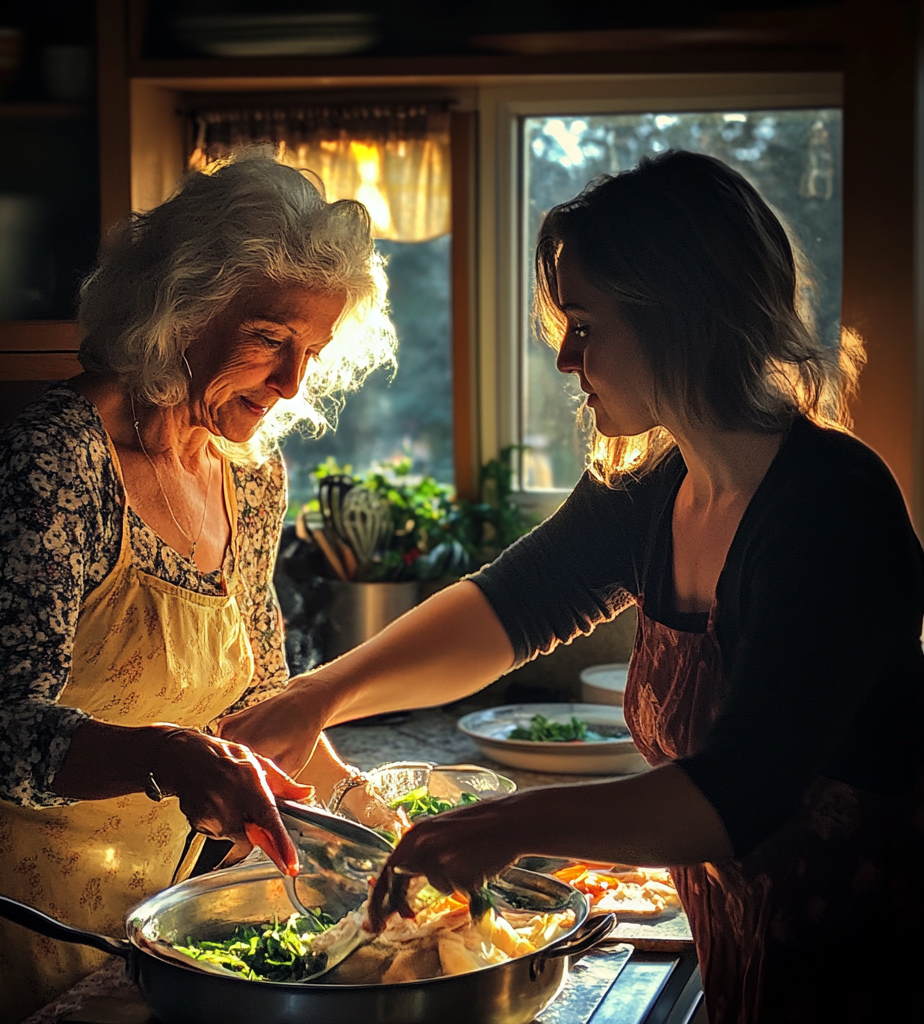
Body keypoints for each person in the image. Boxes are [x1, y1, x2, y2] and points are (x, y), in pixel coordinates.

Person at [228, 150, 924, 1022]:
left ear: (683, 319)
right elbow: (507, 608)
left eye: (586, 324)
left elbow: (741, 794)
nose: (564, 358)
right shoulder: (657, 485)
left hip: (876, 963)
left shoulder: (831, 509)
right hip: (748, 950)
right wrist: (320, 696)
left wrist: (502, 827)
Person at [0, 151, 400, 1023]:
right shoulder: (58, 456)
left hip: (141, 921)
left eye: (312, 351)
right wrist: (168, 755)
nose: (292, 384)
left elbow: (258, 703)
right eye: (270, 339)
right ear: (183, 307)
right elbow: (2, 736)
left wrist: (379, 822)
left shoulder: (250, 474)